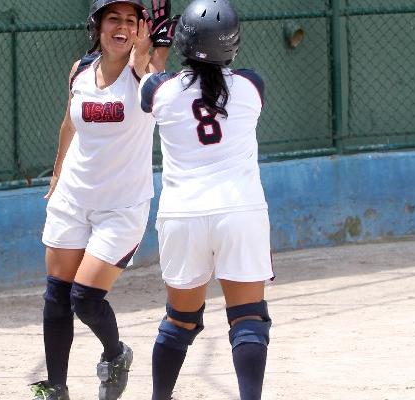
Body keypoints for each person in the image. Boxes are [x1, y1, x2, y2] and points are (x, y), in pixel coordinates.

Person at [30, 1, 177, 399]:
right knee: (56, 295)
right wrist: (58, 173)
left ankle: (115, 355)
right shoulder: (80, 70)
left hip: (122, 207)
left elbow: (153, 59)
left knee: (85, 297)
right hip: (73, 198)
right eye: (114, 18)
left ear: (139, 31)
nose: (122, 27)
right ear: (97, 25)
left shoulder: (144, 73)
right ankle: (55, 387)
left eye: (131, 21)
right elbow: (68, 124)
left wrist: (153, 44)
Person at [138, 0, 274, 399]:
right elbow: (212, 85)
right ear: (232, 44)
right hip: (240, 211)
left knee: (179, 319)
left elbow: (149, 80)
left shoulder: (159, 90)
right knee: (248, 319)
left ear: (183, 40)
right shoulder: (252, 85)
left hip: (183, 215)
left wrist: (150, 48)